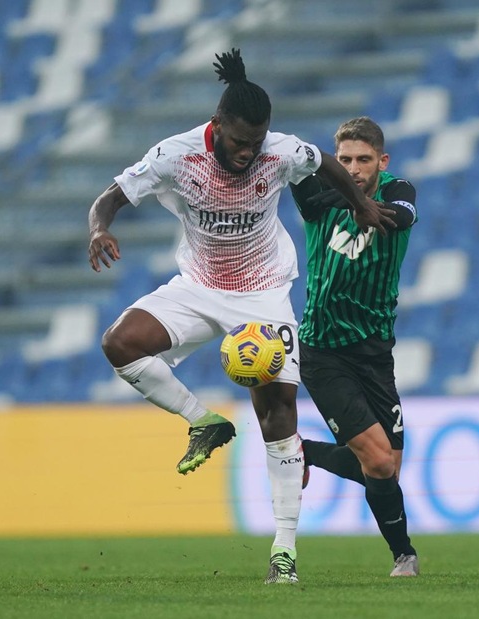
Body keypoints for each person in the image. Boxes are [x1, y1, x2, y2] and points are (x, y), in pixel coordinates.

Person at [87, 49, 396, 584]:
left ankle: (284, 551)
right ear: (217, 126)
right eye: (238, 141)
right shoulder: (175, 154)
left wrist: (362, 206)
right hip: (199, 285)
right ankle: (203, 422)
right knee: (119, 343)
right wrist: (98, 228)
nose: (248, 153)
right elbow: (110, 198)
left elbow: (323, 160)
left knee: (278, 415)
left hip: (263, 293)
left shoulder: (278, 151)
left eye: (257, 142)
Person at [289, 116, 420, 577]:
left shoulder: (399, 188)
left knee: (387, 469)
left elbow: (402, 215)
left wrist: (362, 203)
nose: (353, 167)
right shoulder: (313, 191)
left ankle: (303, 452)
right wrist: (353, 199)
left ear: (381, 161)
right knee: (379, 459)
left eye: (363, 160)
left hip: (375, 350)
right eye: (344, 159)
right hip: (323, 349)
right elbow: (307, 195)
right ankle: (405, 556)